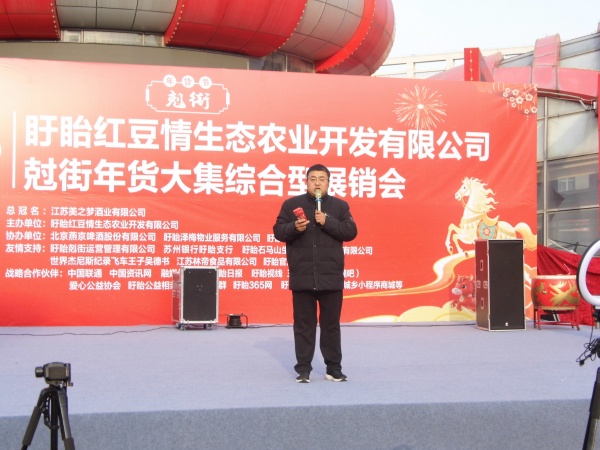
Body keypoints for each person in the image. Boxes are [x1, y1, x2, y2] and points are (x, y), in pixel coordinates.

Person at [273, 164, 358, 383]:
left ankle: (333, 368)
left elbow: (351, 232)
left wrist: (328, 221)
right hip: (302, 276)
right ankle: (303, 369)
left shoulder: (340, 206)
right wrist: (294, 227)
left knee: (331, 326)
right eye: (313, 179)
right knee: (304, 326)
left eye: (322, 179)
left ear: (328, 182)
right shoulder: (291, 205)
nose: (317, 183)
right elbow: (278, 231)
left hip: (331, 277)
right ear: (306, 182)